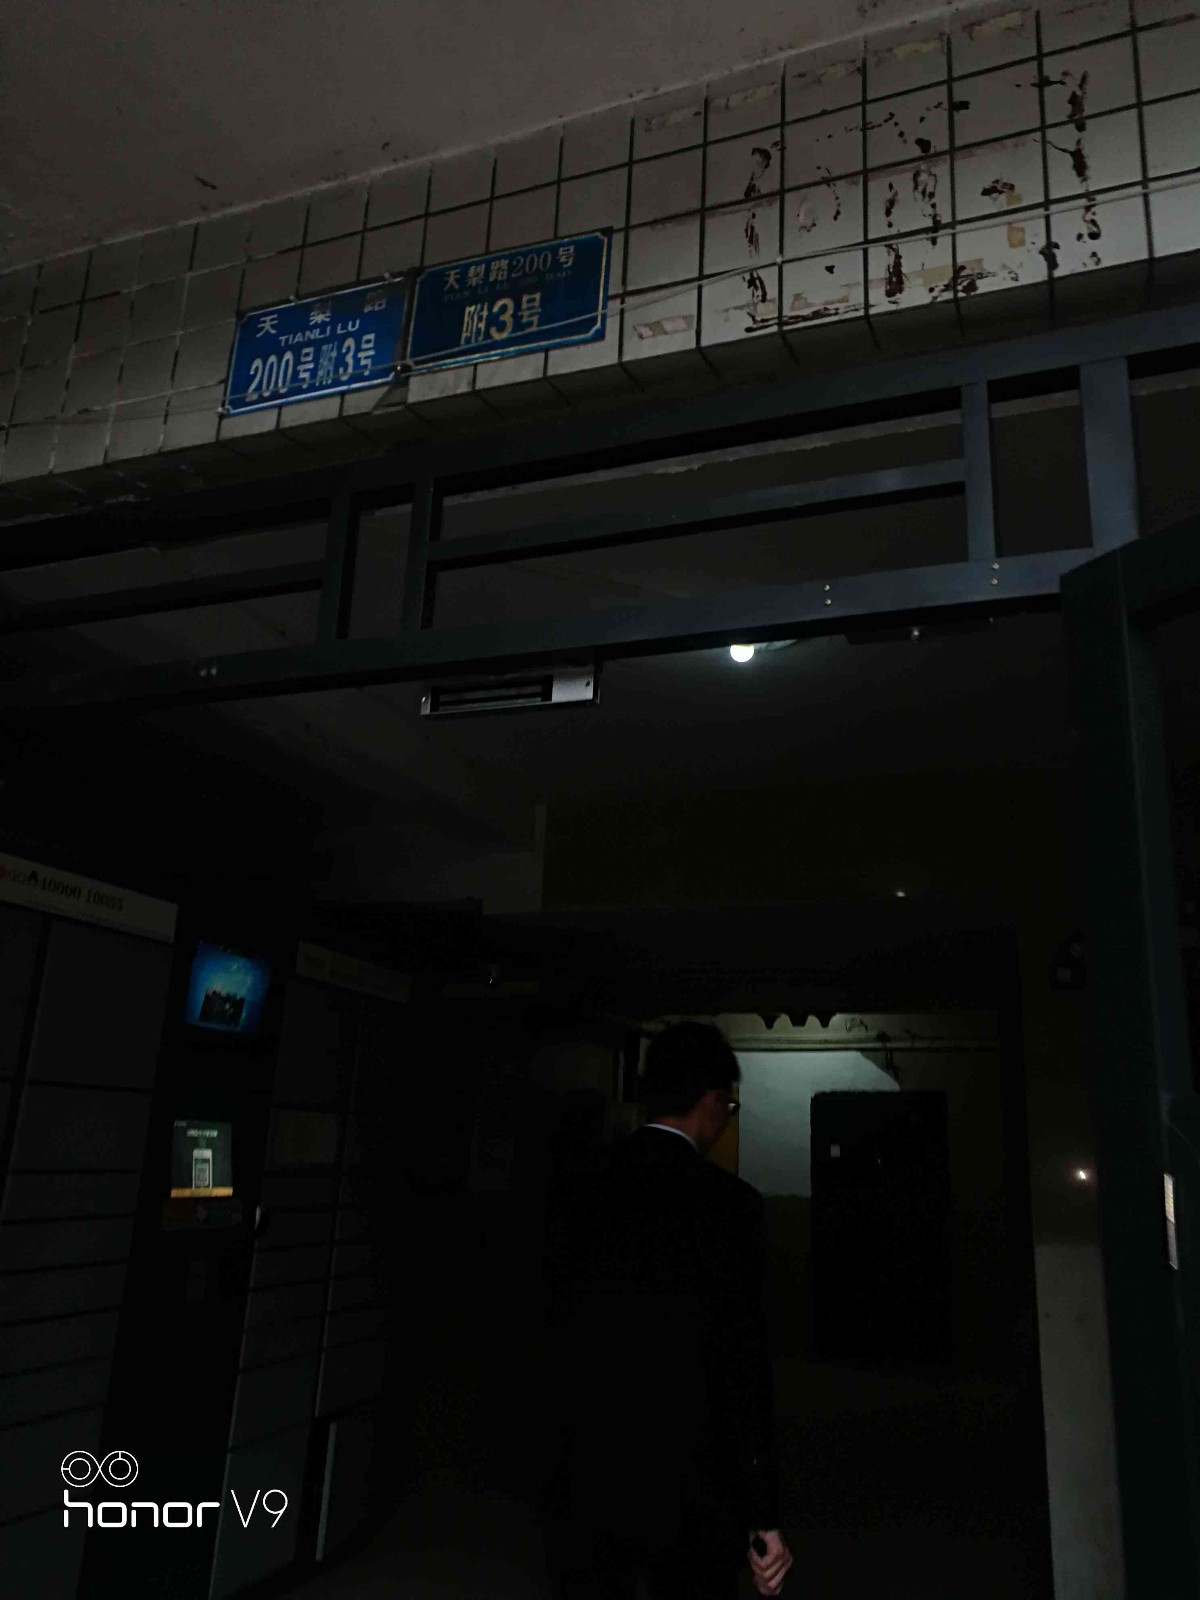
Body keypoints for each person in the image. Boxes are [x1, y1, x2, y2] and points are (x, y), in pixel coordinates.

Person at [537, 1020, 794, 1599]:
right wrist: (763, 1514)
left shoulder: (576, 1192)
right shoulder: (732, 1208)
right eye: (729, 1105)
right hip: (693, 1484)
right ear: (710, 1101)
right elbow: (743, 1368)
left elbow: (546, 1332)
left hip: (585, 1471)